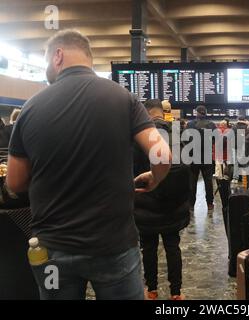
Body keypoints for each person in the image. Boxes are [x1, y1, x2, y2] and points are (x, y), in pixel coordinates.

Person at [6, 29, 171, 300]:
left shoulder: (31, 108)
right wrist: (155, 178)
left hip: (52, 249)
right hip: (114, 245)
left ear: (58, 55)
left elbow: (15, 183)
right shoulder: (123, 98)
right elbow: (162, 154)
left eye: (47, 60)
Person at [133, 99, 190, 301]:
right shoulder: (177, 135)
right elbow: (186, 171)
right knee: (172, 247)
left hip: (143, 204)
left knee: (148, 248)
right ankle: (176, 292)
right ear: (161, 113)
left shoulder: (137, 137)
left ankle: (152, 290)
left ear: (146, 114)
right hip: (172, 206)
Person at [186, 105, 217, 212]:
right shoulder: (211, 125)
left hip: (193, 156)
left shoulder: (190, 124)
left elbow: (186, 140)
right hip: (207, 156)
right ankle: (209, 203)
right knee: (208, 181)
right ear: (205, 113)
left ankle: (191, 204)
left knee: (192, 181)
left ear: (197, 113)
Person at [231, 116, 248, 184]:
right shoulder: (247, 127)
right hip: (244, 146)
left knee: (236, 162)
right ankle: (245, 178)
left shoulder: (234, 127)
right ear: (244, 120)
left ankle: (235, 178)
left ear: (238, 120)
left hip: (235, 146)